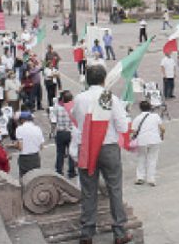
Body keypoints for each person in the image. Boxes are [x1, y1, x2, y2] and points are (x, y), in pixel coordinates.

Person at [72, 65, 132, 243]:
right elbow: (122, 126)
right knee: (115, 188)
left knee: (88, 190)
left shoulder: (79, 98)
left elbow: (75, 118)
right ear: (103, 80)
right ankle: (120, 231)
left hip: (87, 147)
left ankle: (87, 232)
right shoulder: (110, 98)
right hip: (108, 147)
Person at [131, 100, 165, 186]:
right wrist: (161, 135)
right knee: (152, 158)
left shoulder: (137, 118)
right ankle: (151, 179)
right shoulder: (155, 116)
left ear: (140, 108)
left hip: (142, 140)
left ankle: (140, 177)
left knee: (141, 157)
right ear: (150, 107)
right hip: (154, 139)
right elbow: (162, 128)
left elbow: (134, 131)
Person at [14, 111, 44, 178]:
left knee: (24, 178)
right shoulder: (38, 129)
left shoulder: (19, 129)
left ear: (22, 120)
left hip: (24, 158)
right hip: (35, 157)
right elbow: (41, 146)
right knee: (35, 178)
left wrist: (14, 145)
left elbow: (20, 147)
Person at [54, 91, 76, 178]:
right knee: (71, 153)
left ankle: (59, 170)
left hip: (60, 132)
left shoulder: (57, 108)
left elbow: (53, 118)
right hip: (70, 132)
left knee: (60, 153)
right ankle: (71, 171)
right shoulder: (73, 108)